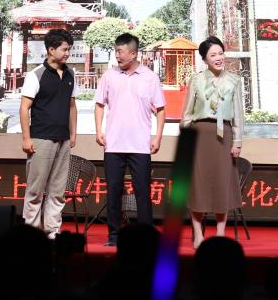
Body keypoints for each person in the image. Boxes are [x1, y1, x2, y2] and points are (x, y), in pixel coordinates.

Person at [94, 32, 166, 247]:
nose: (117, 55)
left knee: (142, 191)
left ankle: (145, 236)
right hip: (113, 144)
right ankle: (114, 235)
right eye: (116, 51)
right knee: (114, 191)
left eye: (121, 52)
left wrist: (158, 137)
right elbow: (99, 104)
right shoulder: (109, 76)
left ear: (134, 54)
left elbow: (160, 109)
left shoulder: (150, 77)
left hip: (140, 145)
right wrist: (98, 130)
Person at [180, 36, 245, 247]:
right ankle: (198, 233)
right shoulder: (196, 80)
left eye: (220, 53)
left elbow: (238, 114)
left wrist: (237, 141)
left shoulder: (234, 80)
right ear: (205, 59)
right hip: (199, 134)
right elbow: (187, 113)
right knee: (197, 184)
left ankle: (220, 232)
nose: (218, 58)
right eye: (213, 55)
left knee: (221, 183)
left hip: (224, 135)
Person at [19, 28, 77, 237]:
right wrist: (26, 138)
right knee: (35, 190)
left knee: (57, 190)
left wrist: (73, 134)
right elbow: (24, 108)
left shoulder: (70, 74)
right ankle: (31, 234)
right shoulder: (36, 75)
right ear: (51, 50)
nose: (68, 53)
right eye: (64, 49)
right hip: (40, 139)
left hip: (63, 139)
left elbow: (72, 106)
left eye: (69, 49)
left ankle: (52, 231)